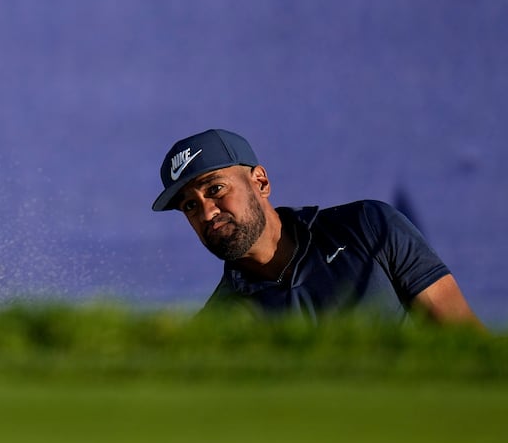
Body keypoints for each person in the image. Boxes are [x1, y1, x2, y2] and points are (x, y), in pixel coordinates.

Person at [152, 128, 482, 327]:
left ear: (261, 182)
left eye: (215, 189)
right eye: (190, 206)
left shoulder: (368, 226)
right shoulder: (220, 322)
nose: (207, 213)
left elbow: (465, 345)